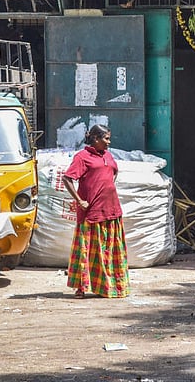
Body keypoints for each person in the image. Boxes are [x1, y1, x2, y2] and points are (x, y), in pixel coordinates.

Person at [62, 124, 129, 299]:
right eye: (106, 138)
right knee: (87, 250)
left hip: (111, 209)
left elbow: (113, 172)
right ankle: (81, 288)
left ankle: (110, 286)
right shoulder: (82, 157)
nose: (109, 142)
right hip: (91, 212)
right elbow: (67, 178)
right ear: (95, 139)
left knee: (110, 250)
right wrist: (79, 200)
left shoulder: (108, 155)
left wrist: (107, 187)